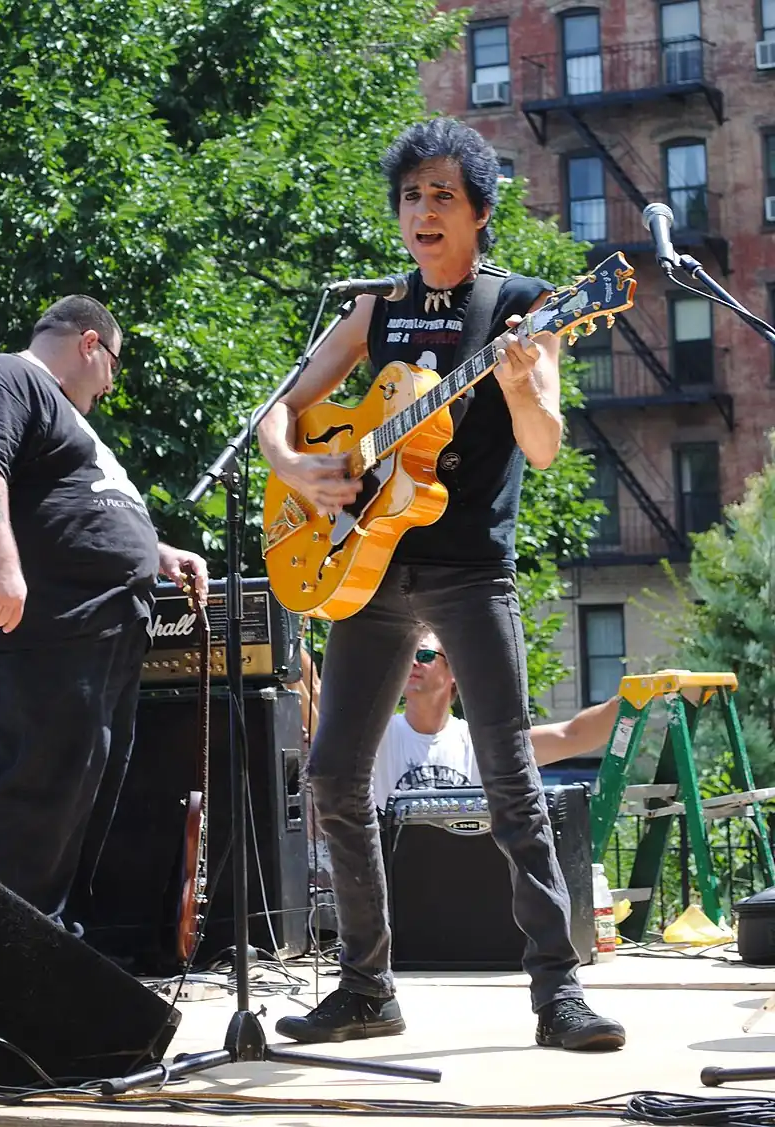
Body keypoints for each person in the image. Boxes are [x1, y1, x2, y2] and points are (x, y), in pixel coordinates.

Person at [257, 118, 625, 1051]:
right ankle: (366, 987)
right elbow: (279, 411)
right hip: (367, 567)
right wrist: (300, 472)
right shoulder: (376, 310)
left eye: (442, 196)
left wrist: (520, 383)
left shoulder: (524, 307)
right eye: (412, 196)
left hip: (468, 573)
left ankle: (556, 992)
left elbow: (542, 447)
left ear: (480, 213)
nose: (423, 211)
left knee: (511, 779)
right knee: (335, 773)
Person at [0, 294, 208, 934]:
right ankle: (14, 964)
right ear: (89, 343)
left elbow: (72, 504)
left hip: (89, 634)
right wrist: (3, 563)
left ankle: (53, 959)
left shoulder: (63, 418)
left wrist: (154, 551)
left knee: (77, 801)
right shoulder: (8, 375)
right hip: (38, 634)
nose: (110, 384)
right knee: (38, 801)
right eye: (112, 365)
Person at [372, 630, 620, 812]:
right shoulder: (374, 738)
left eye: (424, 655)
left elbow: (573, 735)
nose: (412, 663)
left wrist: (633, 697)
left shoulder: (479, 742)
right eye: (406, 656)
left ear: (455, 671)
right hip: (397, 879)